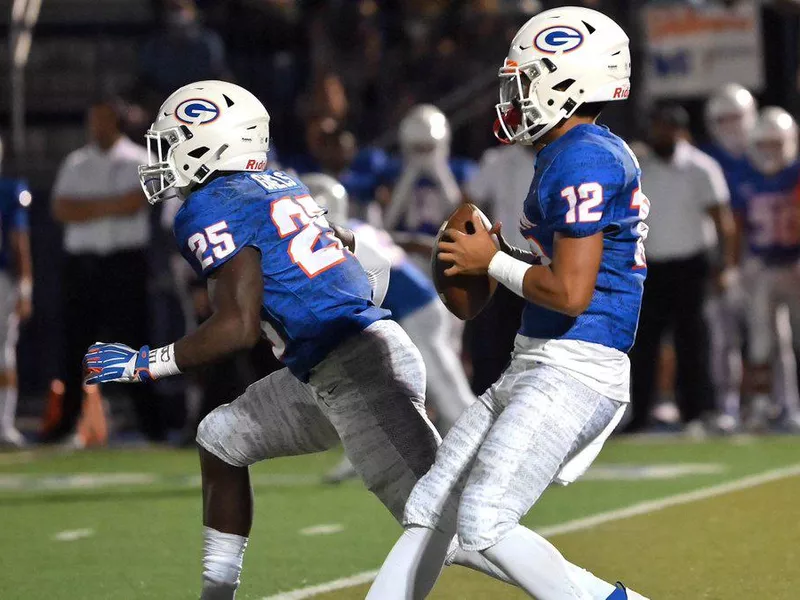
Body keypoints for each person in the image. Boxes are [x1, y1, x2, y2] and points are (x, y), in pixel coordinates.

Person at [82, 80, 537, 600]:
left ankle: (589, 594)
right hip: (333, 363)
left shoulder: (207, 206)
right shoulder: (281, 184)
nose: (161, 156)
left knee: (456, 528)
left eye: (172, 142)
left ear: (210, 143)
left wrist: (145, 365)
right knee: (220, 438)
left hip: (353, 368)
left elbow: (237, 326)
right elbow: (364, 273)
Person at [366, 7, 648, 599]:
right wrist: (506, 252)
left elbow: (572, 292)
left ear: (565, 82)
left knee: (484, 520)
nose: (513, 96)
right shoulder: (567, 151)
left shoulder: (584, 156)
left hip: (576, 364)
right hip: (541, 357)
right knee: (432, 511)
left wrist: (490, 261)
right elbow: (559, 268)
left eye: (525, 81)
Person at [302, 173, 476, 482]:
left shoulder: (342, 236)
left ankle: (480, 449)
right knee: (381, 389)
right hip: (412, 307)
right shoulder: (358, 228)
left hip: (414, 309)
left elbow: (369, 280)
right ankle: (365, 457)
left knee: (445, 387)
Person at [47, 98, 164, 443]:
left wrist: (91, 206)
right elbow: (62, 209)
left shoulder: (141, 160)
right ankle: (67, 426)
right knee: (74, 347)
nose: (96, 127)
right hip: (82, 265)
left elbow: (137, 202)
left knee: (136, 345)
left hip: (124, 263)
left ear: (116, 122)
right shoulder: (75, 162)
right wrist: (113, 204)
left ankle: (151, 426)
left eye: (103, 120)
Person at [627, 103, 736, 433]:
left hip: (691, 265)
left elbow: (722, 221)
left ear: (681, 131)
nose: (662, 133)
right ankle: (640, 415)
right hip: (650, 267)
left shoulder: (701, 167)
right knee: (644, 343)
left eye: (668, 127)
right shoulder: (639, 166)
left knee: (694, 341)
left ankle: (696, 413)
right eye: (658, 126)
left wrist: (725, 265)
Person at [737, 107, 800, 430]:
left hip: (794, 263)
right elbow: (738, 224)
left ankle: (791, 407)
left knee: (794, 341)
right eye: (764, 144)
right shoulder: (746, 175)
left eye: (777, 143)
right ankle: (762, 406)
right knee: (761, 341)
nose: (770, 151)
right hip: (761, 265)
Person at [702, 83, 759, 425]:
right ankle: (728, 405)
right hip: (721, 258)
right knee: (723, 338)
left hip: (764, 256)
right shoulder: (706, 159)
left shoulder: (770, 150)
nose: (732, 126)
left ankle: (779, 403)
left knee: (772, 337)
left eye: (737, 117)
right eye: (723, 120)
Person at [464, 140, 535, 394]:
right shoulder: (496, 159)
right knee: (492, 343)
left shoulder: (560, 157)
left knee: (536, 345)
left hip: (542, 264)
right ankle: (484, 403)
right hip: (501, 263)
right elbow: (469, 205)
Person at [0, 136, 33, 447]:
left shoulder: (10, 190)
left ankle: (4, 423)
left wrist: (25, 287)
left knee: (3, 353)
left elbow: (18, 240)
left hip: (1, 278)